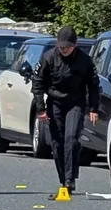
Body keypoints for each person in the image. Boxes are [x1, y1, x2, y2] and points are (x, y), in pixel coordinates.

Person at [31, 26, 99, 193]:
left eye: (67, 47)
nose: (64, 50)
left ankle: (70, 179)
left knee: (71, 138)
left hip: (76, 102)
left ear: (74, 45)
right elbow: (37, 83)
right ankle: (63, 179)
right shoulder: (48, 58)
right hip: (55, 102)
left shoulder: (85, 60)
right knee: (56, 142)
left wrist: (94, 108)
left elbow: (93, 85)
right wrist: (41, 109)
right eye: (61, 47)